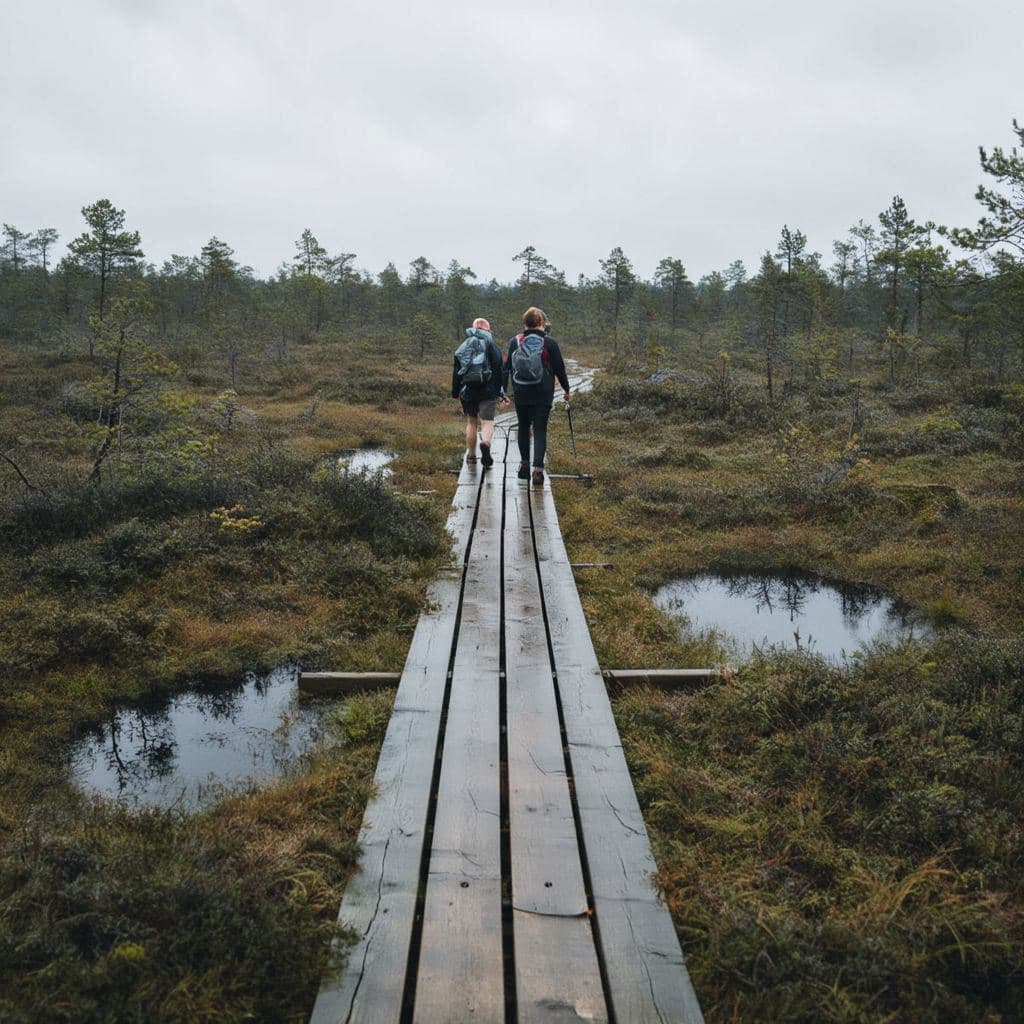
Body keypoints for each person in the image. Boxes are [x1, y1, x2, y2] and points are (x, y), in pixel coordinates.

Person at [504, 307, 571, 486]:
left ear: (524, 323)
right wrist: (566, 389)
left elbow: (507, 368)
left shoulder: (514, 342)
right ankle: (538, 471)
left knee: (524, 427)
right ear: (541, 323)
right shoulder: (549, 343)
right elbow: (559, 369)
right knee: (540, 430)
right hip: (543, 393)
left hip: (521, 392)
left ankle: (524, 465)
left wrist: (503, 391)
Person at [451, 317, 508, 467]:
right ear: (489, 330)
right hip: (488, 391)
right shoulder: (492, 346)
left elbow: (457, 370)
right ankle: (486, 444)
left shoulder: (465, 345)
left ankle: (471, 456)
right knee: (487, 422)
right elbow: (498, 370)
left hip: (468, 389)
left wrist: (456, 392)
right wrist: (499, 392)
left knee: (471, 422)